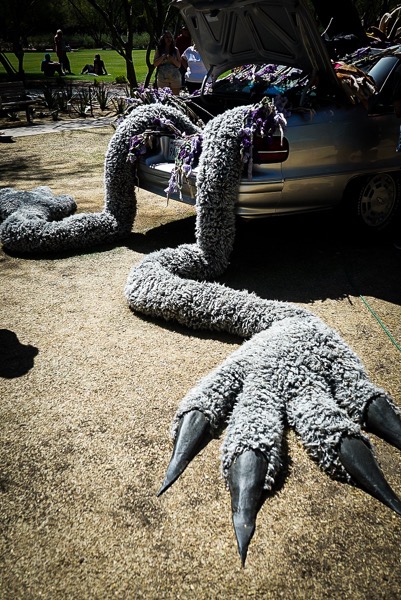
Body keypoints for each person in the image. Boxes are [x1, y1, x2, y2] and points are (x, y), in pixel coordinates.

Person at [153, 31, 182, 95]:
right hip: (162, 77)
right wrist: (162, 57)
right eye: (166, 37)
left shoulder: (175, 50)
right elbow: (155, 64)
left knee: (176, 96)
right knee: (163, 96)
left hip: (174, 77)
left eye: (170, 37)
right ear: (163, 39)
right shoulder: (159, 49)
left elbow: (179, 65)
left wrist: (172, 59)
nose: (168, 39)